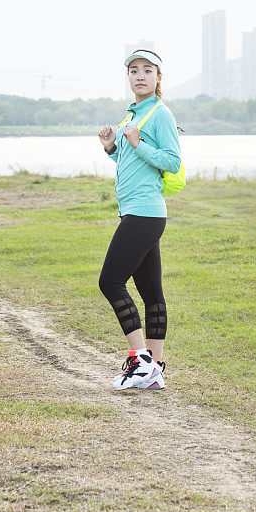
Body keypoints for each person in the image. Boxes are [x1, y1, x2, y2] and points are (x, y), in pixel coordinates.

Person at [97, 49, 182, 390]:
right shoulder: (132, 114)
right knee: (151, 293)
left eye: (148, 70)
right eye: (134, 70)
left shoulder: (160, 114)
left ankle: (140, 361)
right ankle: (155, 368)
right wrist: (112, 148)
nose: (140, 76)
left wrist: (137, 143)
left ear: (159, 77)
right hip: (138, 211)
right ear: (128, 77)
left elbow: (172, 161)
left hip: (145, 213)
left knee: (110, 282)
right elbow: (130, 165)